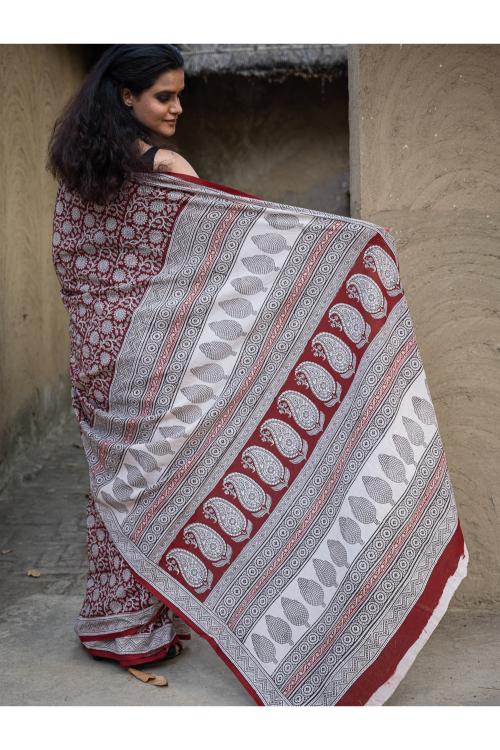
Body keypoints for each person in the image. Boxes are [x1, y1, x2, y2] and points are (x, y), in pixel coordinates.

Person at [47, 44, 202, 667]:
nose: (177, 107)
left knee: (112, 486)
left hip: (93, 353)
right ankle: (135, 628)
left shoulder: (78, 167)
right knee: (153, 485)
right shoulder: (167, 166)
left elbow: (70, 262)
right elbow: (213, 256)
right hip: (147, 356)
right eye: (164, 96)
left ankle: (111, 620)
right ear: (127, 96)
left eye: (180, 94)